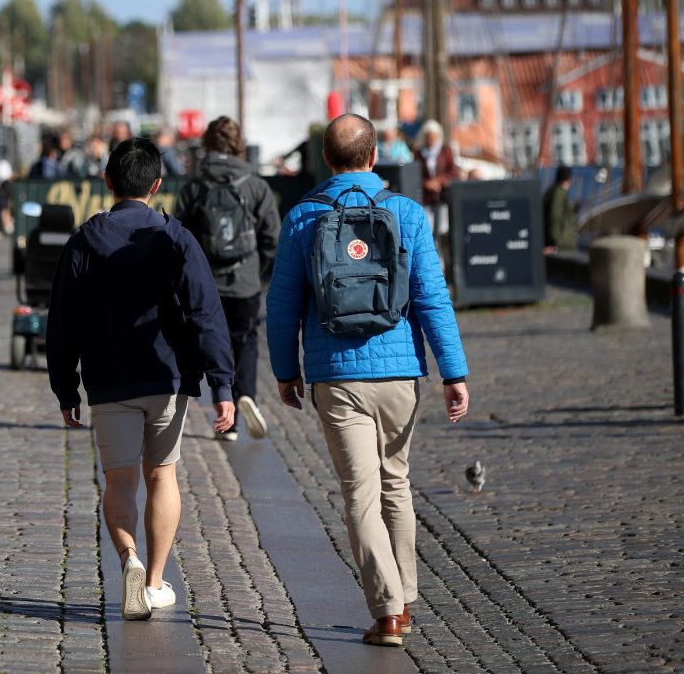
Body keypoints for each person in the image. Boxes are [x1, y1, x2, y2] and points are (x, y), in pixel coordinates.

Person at [266, 113, 469, 648]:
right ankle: (404, 598)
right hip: (400, 370)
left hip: (337, 376)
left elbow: (283, 305)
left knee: (360, 493)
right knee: (395, 484)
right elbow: (431, 298)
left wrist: (286, 371)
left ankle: (387, 613)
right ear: (375, 157)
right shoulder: (406, 213)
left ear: (326, 160)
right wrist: (455, 371)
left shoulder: (304, 217)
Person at [46, 138, 235, 622]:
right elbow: (205, 312)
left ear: (107, 182)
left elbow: (62, 320)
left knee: (120, 480)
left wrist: (65, 387)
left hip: (109, 378)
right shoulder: (177, 239)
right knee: (162, 474)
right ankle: (153, 581)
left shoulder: (84, 242)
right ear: (157, 185)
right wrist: (223, 384)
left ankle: (127, 557)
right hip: (166, 375)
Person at [175, 116, 279, 442]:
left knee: (211, 344)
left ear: (207, 143)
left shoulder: (195, 184)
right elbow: (272, 235)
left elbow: (179, 235)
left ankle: (226, 421)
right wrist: (257, 268)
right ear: (238, 144)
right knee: (245, 340)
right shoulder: (254, 182)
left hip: (206, 282)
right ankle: (245, 393)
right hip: (244, 279)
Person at [414, 120, 458, 237]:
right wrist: (426, 183)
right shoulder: (419, 153)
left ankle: (444, 255)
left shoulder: (446, 151)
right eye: (428, 136)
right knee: (428, 231)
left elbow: (453, 172)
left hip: (442, 197)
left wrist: (439, 181)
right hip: (427, 198)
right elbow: (415, 174)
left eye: (433, 136)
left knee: (443, 230)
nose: (431, 139)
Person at [543, 165, 578, 253]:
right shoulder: (558, 194)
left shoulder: (552, 191)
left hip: (558, 244)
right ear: (569, 179)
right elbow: (554, 218)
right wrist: (557, 243)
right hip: (562, 247)